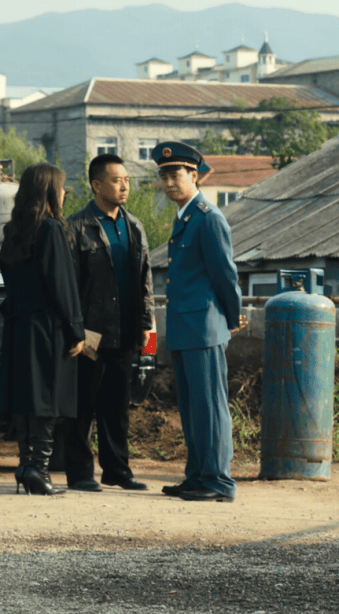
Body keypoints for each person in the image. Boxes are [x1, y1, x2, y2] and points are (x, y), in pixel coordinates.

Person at [152, 141, 244, 503]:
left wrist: (232, 316)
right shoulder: (184, 217)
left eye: (175, 174)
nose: (169, 182)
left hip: (204, 326)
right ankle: (197, 476)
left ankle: (218, 480)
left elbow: (225, 274)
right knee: (192, 409)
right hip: (184, 326)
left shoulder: (208, 217)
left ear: (194, 175)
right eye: (163, 176)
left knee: (210, 406)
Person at [61, 154, 153, 492]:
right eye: (117, 180)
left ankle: (117, 470)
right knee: (83, 402)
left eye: (127, 180)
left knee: (117, 405)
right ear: (97, 185)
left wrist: (147, 322)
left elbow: (145, 277)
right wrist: (74, 330)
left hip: (125, 328)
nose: (124, 186)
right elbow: (68, 284)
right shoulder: (77, 226)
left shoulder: (134, 226)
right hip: (90, 333)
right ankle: (79, 472)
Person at [0, 163, 86, 496]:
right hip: (47, 328)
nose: (64, 195)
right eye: (61, 189)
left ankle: (25, 465)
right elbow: (62, 285)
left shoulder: (13, 232)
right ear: (50, 191)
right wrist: (76, 329)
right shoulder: (51, 229)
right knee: (47, 398)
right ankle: (38, 468)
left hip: (19, 326)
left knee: (26, 397)